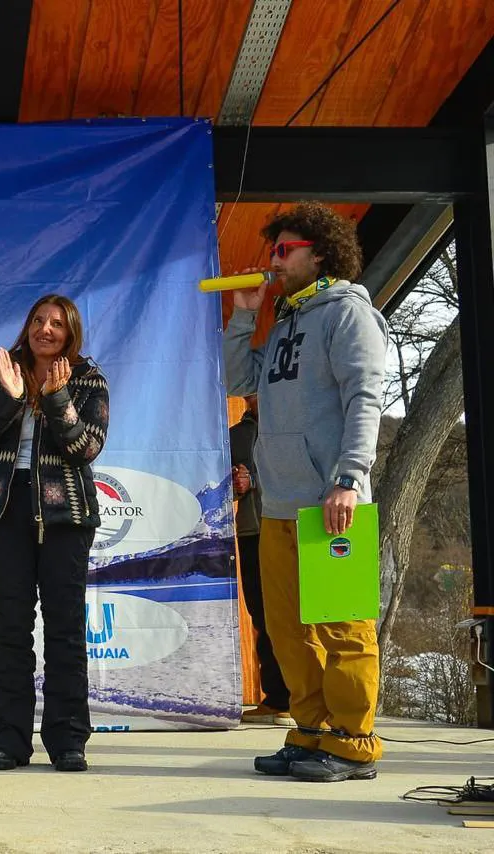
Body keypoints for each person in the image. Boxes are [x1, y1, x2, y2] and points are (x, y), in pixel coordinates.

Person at [224, 202, 388, 783]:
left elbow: (365, 396)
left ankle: (353, 740)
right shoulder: (288, 318)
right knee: (288, 629)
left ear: (319, 254)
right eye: (274, 250)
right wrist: (244, 316)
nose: (273, 259)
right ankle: (312, 730)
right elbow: (238, 381)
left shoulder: (348, 314)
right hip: (279, 503)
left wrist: (348, 479)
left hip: (331, 500)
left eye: (283, 249)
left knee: (343, 627)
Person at [0, 294, 109, 772]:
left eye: (58, 324)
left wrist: (58, 399)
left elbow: (87, 447)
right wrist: (9, 397)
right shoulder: (0, 374)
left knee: (65, 629)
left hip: (66, 514)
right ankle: (8, 739)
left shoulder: (88, 378)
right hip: (6, 509)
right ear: (27, 327)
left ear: (70, 334)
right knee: (11, 628)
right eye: (39, 321)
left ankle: (68, 740)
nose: (46, 329)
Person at [232, 394, 293, 727]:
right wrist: (235, 485)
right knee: (261, 613)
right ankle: (277, 698)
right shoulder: (235, 435)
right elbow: (219, 486)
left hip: (289, 526)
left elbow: (298, 472)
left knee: (291, 613)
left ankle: (306, 699)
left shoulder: (292, 423)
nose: (254, 393)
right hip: (250, 531)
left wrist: (254, 481)